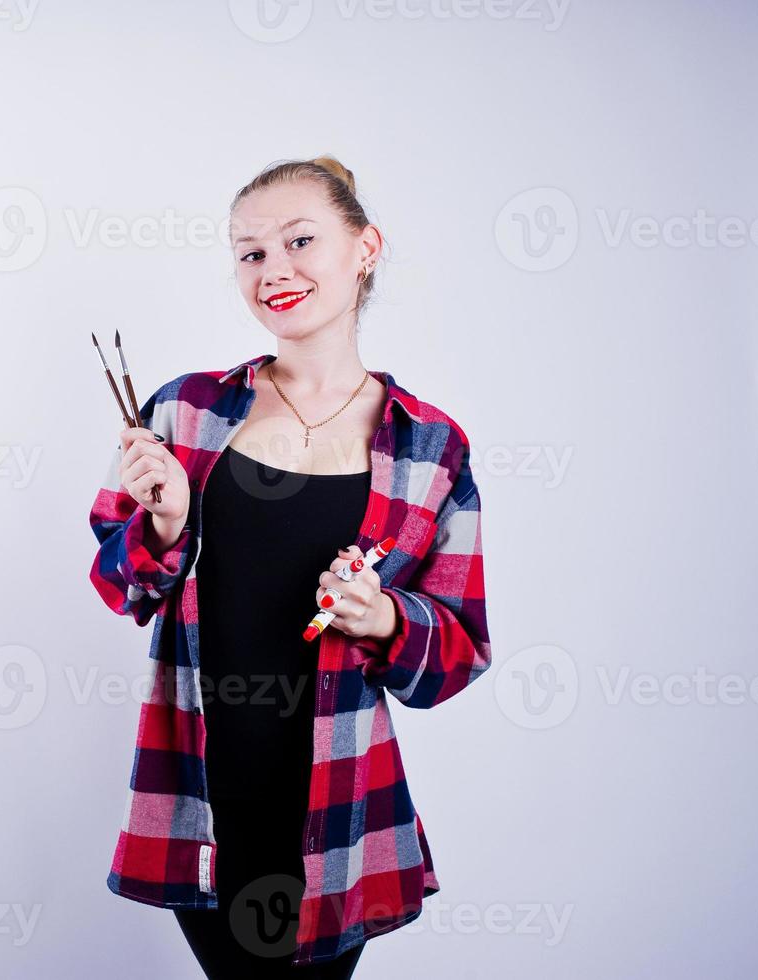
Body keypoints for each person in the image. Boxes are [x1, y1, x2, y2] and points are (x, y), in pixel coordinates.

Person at [89, 155, 492, 976]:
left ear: (364, 247)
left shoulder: (429, 445)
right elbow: (114, 579)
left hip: (339, 801)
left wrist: (383, 617)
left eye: (298, 240)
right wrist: (165, 524)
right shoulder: (185, 410)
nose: (273, 269)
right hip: (201, 791)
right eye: (249, 252)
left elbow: (456, 654)